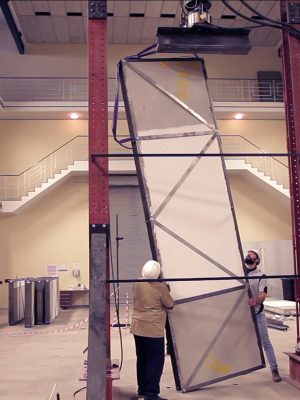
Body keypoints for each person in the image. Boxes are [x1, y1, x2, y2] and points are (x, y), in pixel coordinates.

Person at [131, 260, 175, 400]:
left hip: (138, 328)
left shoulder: (137, 283)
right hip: (153, 330)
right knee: (155, 361)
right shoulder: (160, 287)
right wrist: (167, 290)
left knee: (142, 359)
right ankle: (151, 394)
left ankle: (142, 389)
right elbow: (170, 304)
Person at [245, 249, 282, 383]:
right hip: (242, 314)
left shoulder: (261, 275)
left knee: (265, 342)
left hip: (257, 313)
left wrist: (255, 301)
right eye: (247, 253)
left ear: (256, 260)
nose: (248, 255)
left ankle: (274, 369)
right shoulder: (239, 273)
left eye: (251, 254)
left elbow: (262, 294)